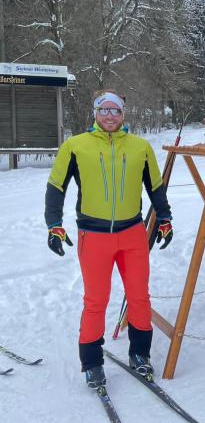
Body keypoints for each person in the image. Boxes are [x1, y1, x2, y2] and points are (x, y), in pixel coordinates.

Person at [44, 90, 173, 389]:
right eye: (104, 110)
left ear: (124, 114)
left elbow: (155, 187)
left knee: (139, 296)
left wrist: (165, 218)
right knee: (96, 300)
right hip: (93, 236)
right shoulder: (75, 146)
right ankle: (92, 363)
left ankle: (140, 354)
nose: (110, 116)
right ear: (95, 113)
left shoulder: (141, 147)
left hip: (132, 234)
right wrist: (54, 225)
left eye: (116, 110)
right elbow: (56, 186)